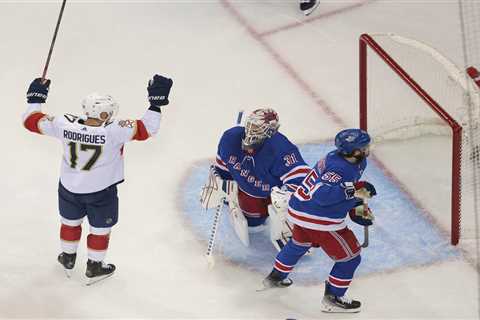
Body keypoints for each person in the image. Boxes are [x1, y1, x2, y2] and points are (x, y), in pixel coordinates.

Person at [22, 74, 173, 283]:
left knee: (69, 223)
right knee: (100, 229)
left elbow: (30, 121)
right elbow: (148, 128)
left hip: (69, 188)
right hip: (101, 192)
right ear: (104, 113)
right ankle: (94, 266)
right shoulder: (114, 131)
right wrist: (155, 105)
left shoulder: (64, 124)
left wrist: (35, 99)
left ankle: (67, 257)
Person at [261, 128, 377, 313]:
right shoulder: (341, 168)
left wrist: (355, 206)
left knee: (298, 244)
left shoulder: (340, 158)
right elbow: (322, 195)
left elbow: (340, 190)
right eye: (364, 147)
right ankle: (334, 298)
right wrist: (353, 191)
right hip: (316, 217)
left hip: (299, 209)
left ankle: (275, 277)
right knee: (351, 258)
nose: (367, 149)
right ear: (354, 151)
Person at [200, 108, 311, 251]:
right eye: (251, 126)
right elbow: (222, 167)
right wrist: (224, 188)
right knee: (254, 226)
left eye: (257, 129)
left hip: (273, 192)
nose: (251, 132)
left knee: (288, 216)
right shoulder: (230, 138)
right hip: (250, 192)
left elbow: (300, 177)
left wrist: (287, 196)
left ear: (270, 133)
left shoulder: (281, 149)